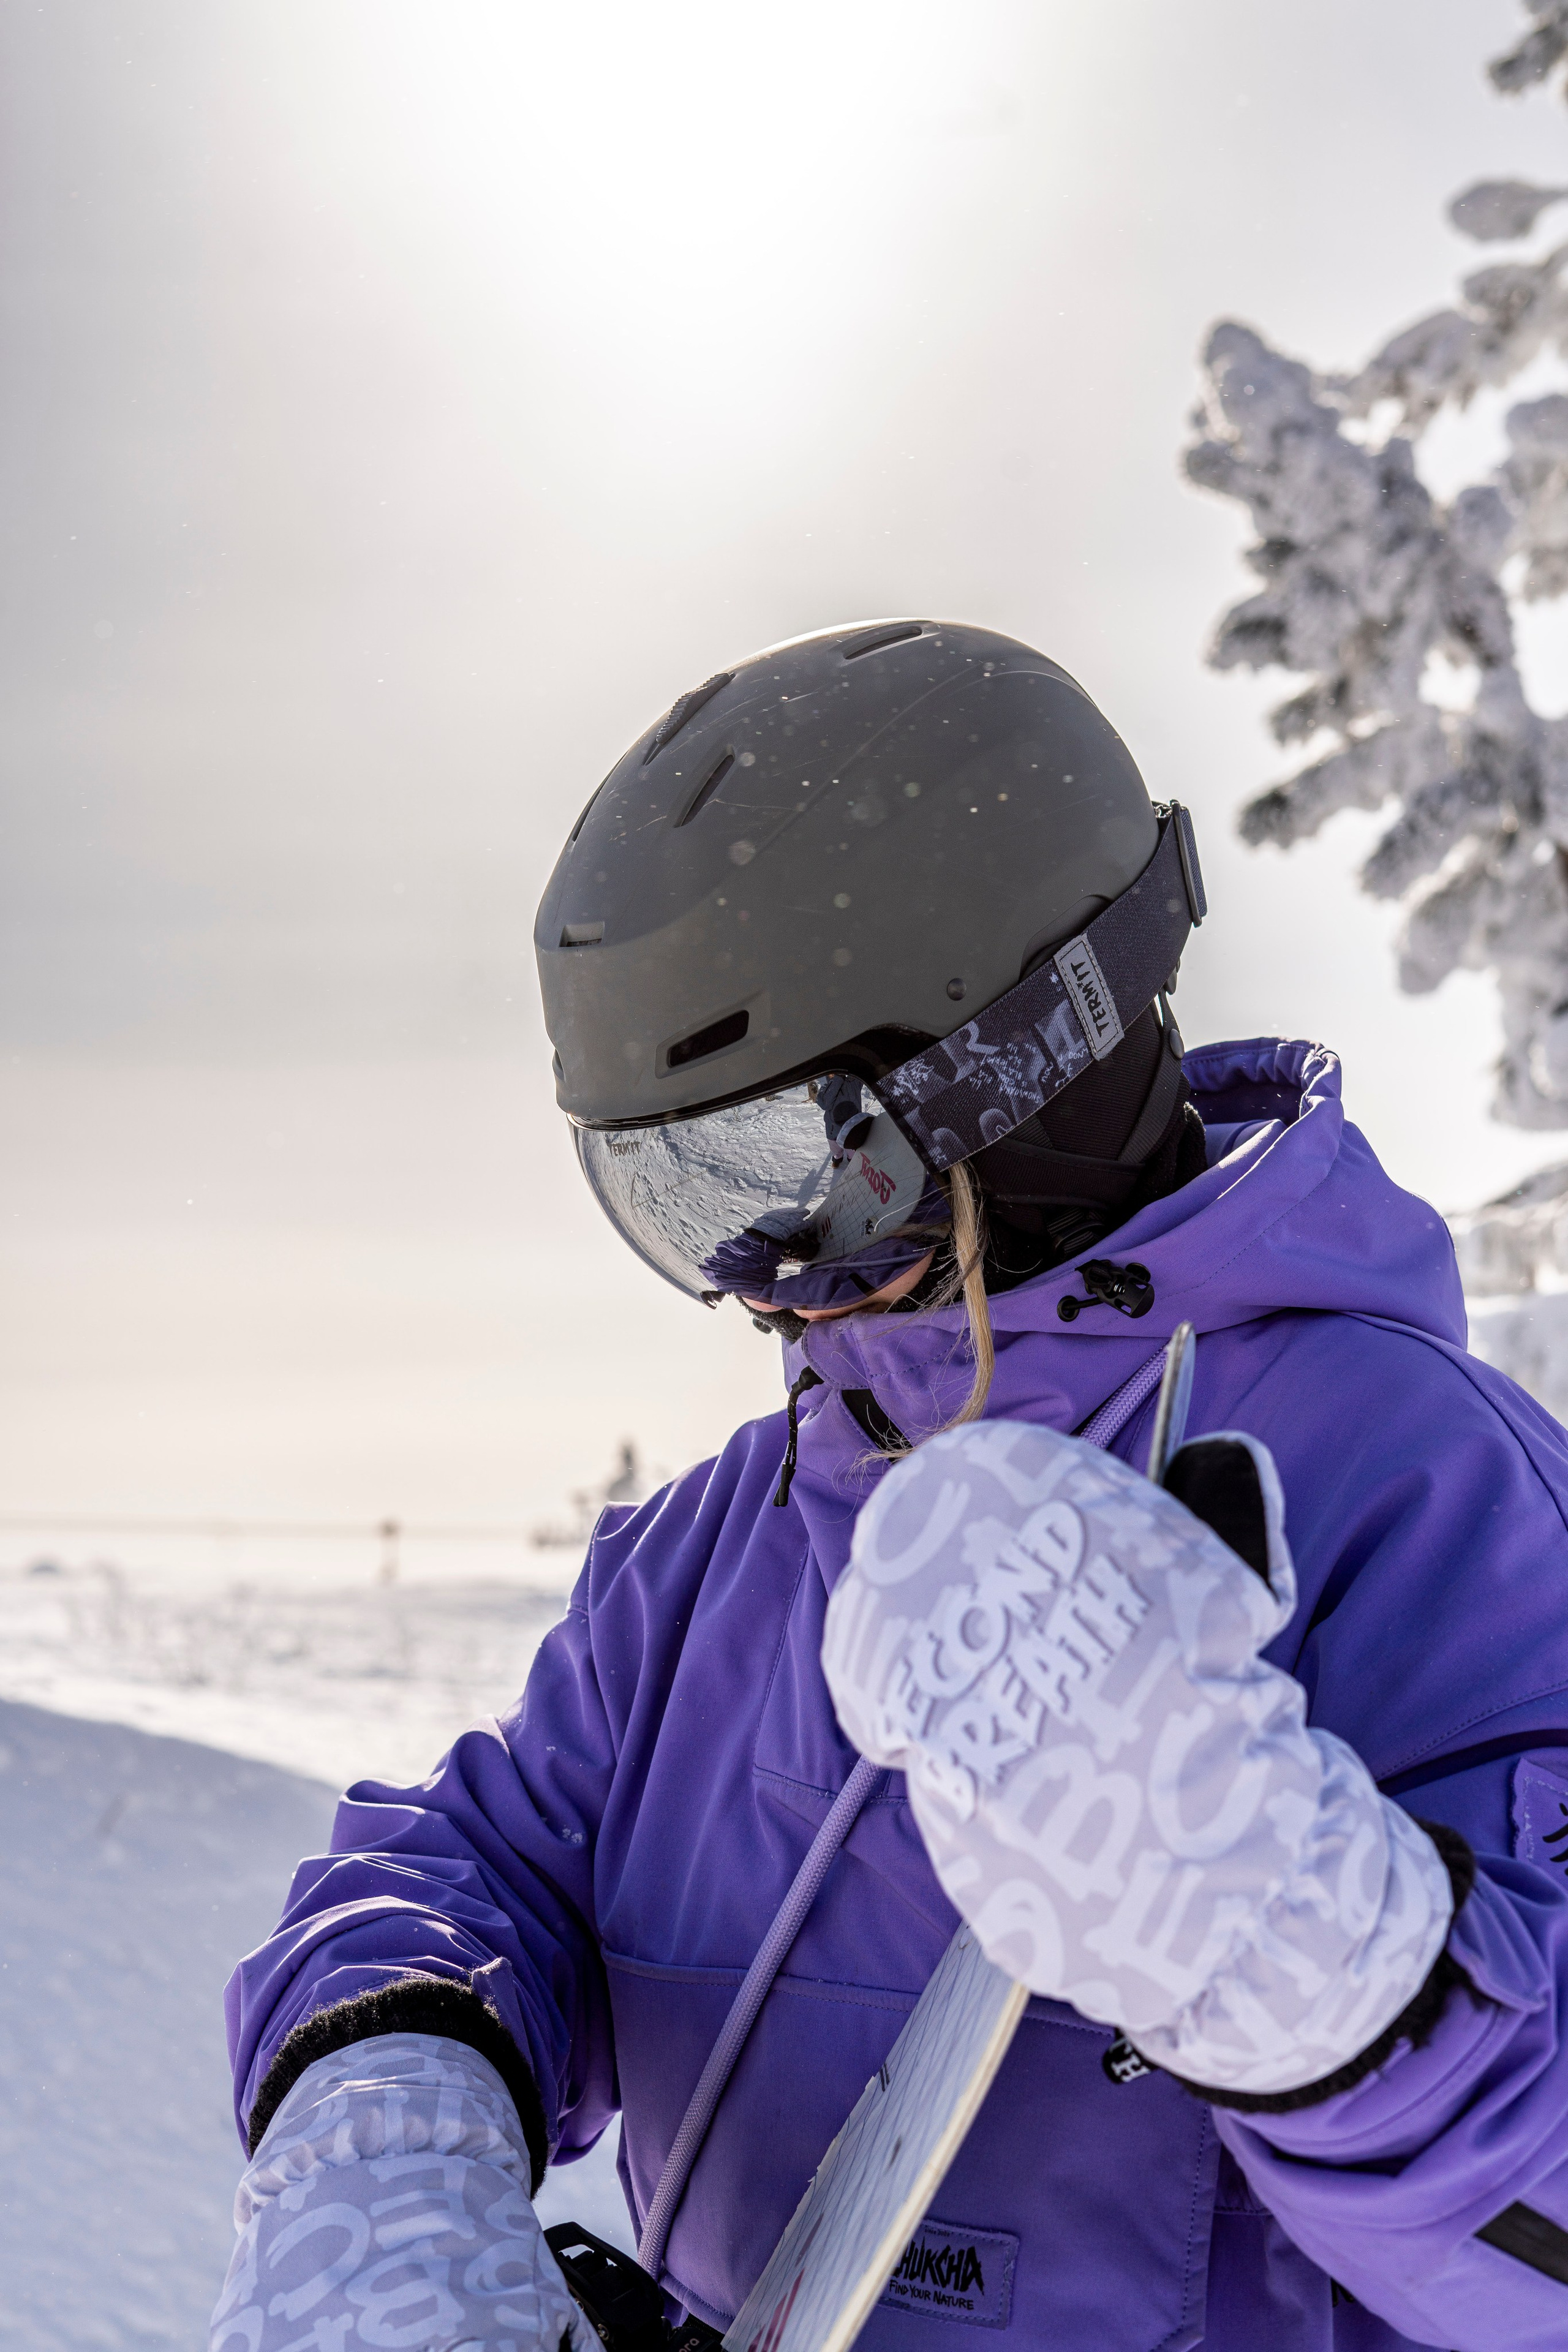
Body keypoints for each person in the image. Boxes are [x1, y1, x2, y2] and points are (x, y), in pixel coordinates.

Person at [212, 622, 1568, 2352]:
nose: (747, 1282)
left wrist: (1324, 1976)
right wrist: (385, 2107)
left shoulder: (1430, 1500)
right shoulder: (730, 1541)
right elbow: (478, 1860)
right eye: (666, 1198)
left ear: (1010, 1070)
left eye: (773, 1177)